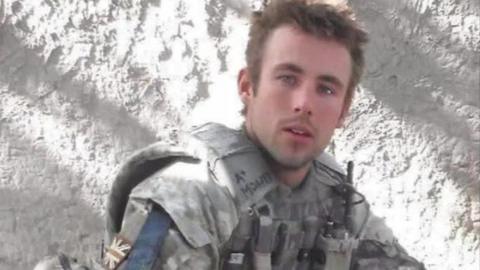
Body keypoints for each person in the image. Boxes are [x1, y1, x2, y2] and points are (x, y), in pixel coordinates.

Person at [36, 0, 425, 269]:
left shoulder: (337, 198)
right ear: (247, 86)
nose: (304, 103)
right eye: (287, 78)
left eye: (326, 88)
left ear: (343, 110)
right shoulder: (188, 198)